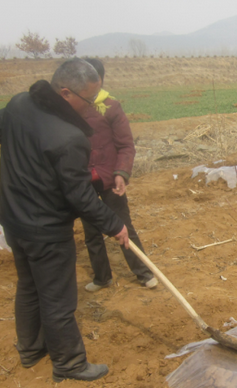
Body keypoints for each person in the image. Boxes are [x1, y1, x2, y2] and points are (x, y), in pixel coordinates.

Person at [0, 58, 129, 383]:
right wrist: (115, 225)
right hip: (46, 229)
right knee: (57, 298)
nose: (92, 107)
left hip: (13, 219)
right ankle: (68, 363)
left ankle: (30, 350)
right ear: (66, 93)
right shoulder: (68, 137)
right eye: (89, 100)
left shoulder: (18, 103)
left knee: (29, 286)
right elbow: (80, 197)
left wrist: (26, 156)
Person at [80, 58, 158, 292]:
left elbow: (125, 145)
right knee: (91, 231)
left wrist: (121, 173)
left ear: (98, 81)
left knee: (124, 227)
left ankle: (143, 273)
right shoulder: (71, 110)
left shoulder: (111, 107)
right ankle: (102, 278)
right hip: (83, 182)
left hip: (110, 180)